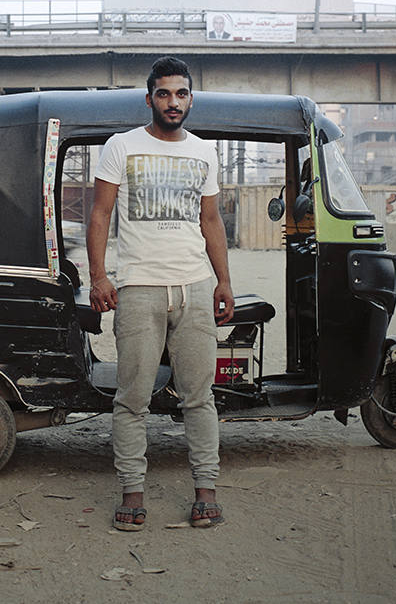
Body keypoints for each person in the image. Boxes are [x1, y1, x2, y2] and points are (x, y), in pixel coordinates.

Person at [87, 55, 235, 531]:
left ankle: (206, 492)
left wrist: (223, 282)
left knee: (199, 397)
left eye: (182, 93)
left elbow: (210, 220)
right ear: (149, 98)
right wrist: (98, 277)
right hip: (139, 289)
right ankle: (132, 493)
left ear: (191, 99)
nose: (174, 102)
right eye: (164, 93)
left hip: (195, 288)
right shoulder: (121, 146)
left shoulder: (204, 152)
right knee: (133, 398)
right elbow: (100, 214)